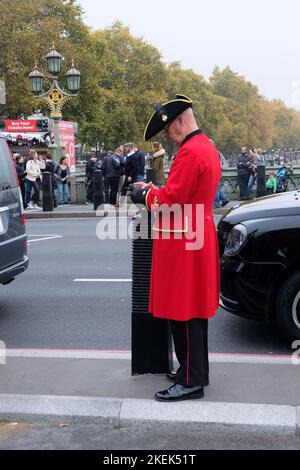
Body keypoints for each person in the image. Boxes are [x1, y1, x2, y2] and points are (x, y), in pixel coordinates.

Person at [131, 94, 221, 402]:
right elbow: (183, 193)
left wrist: (144, 197)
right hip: (197, 232)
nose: (167, 136)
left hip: (184, 239)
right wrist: (154, 189)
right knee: (193, 312)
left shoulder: (189, 153)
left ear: (181, 121)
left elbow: (172, 201)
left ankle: (190, 381)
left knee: (184, 312)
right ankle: (193, 371)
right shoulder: (205, 147)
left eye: (168, 129)